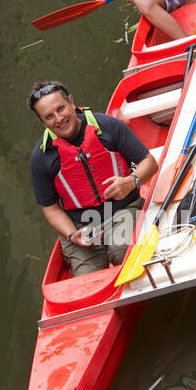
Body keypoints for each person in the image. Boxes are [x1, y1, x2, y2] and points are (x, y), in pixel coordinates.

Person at [28, 81, 158, 275]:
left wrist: (131, 181)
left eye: (61, 109)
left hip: (124, 210)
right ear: (43, 122)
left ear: (71, 102)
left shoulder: (107, 126)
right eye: (49, 116)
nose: (59, 119)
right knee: (87, 283)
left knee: (123, 255)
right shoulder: (41, 157)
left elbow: (149, 162)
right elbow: (51, 208)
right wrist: (72, 235)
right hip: (81, 228)